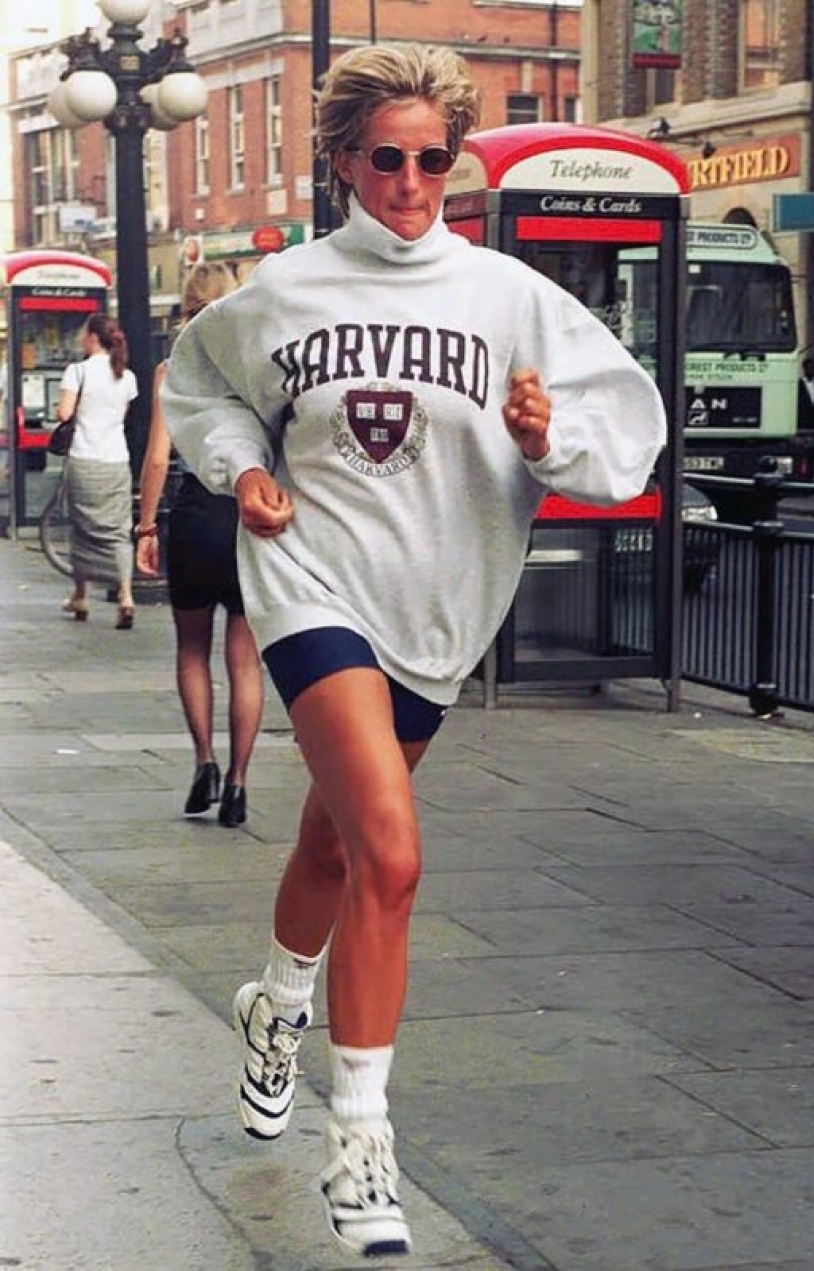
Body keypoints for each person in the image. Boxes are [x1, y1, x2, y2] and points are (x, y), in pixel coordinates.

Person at [163, 42, 667, 1259]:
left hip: (439, 607)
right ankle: (362, 1143)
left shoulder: (510, 298)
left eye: (432, 158)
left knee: (336, 840)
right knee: (390, 850)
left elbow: (622, 430)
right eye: (385, 158)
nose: (409, 180)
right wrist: (244, 473)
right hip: (310, 583)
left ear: (456, 162)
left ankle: (278, 1003)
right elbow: (199, 384)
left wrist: (549, 440)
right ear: (344, 160)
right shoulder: (285, 290)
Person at [135, 263, 263, 827]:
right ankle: (238, 784)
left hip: (193, 518)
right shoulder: (255, 371)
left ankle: (204, 763)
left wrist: (144, 528)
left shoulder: (173, 370)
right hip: (246, 516)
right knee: (246, 659)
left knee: (192, 648)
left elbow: (159, 458)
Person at [57, 313, 138, 629]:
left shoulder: (77, 371)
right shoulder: (127, 377)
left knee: (82, 529)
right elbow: (123, 417)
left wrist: (65, 411)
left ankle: (81, 595)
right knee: (119, 529)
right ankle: (127, 596)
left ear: (92, 336)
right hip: (117, 461)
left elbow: (65, 413)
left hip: (85, 458)